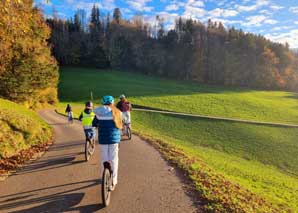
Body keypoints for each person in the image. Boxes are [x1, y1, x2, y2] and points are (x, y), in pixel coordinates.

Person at [93, 96, 122, 191]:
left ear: (103, 102)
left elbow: (94, 123)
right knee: (114, 159)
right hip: (114, 140)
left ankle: (104, 178)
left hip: (103, 139)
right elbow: (122, 122)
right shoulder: (117, 112)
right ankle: (113, 181)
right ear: (112, 102)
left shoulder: (98, 112)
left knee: (104, 158)